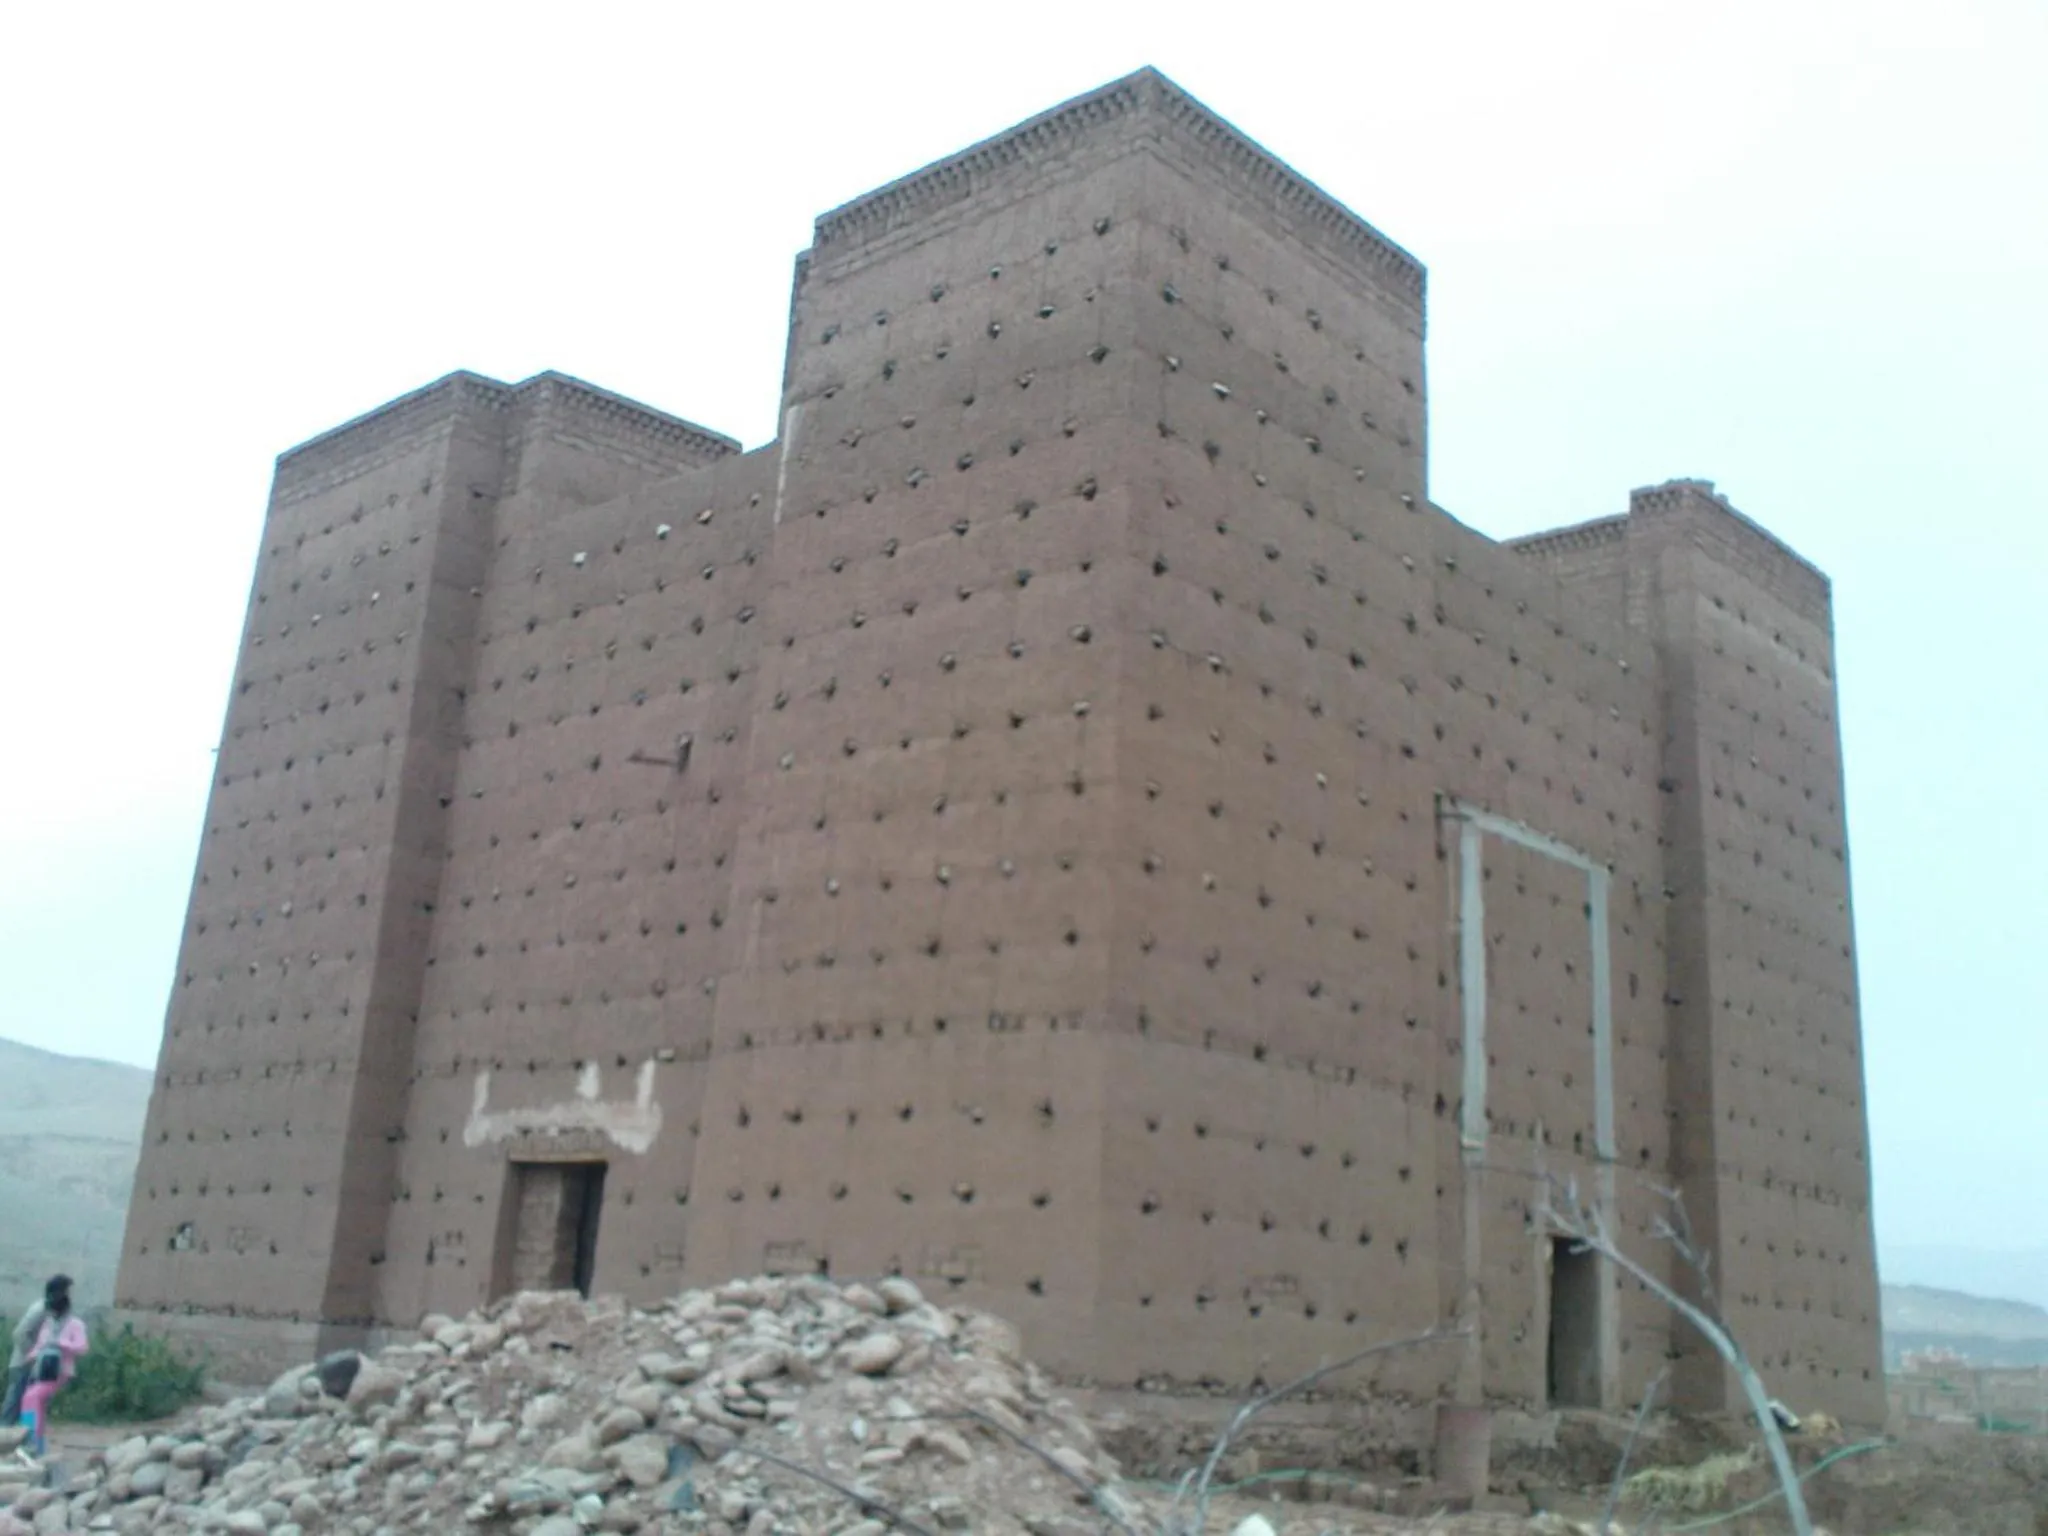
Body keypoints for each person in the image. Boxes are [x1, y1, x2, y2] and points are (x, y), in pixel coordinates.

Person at [14, 1277, 87, 1458]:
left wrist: (62, 1344)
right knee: (35, 1403)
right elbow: (40, 1345)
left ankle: (30, 1439)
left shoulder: (75, 1324)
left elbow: (82, 1347)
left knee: (31, 1397)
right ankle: (36, 1443)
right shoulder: (48, 1323)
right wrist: (30, 1357)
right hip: (42, 1371)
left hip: (60, 1371)